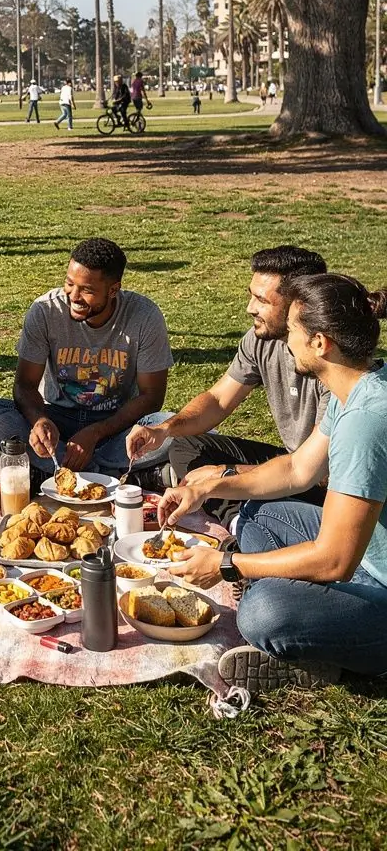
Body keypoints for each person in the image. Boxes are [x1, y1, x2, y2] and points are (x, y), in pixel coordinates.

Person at [159, 273, 387, 689]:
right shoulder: (355, 387)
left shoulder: (367, 421)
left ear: (320, 343)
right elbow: (297, 469)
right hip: (367, 557)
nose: (286, 340)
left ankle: (317, 645)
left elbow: (336, 560)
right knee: (258, 515)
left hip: (372, 577)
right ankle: (310, 624)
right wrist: (206, 487)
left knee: (262, 612)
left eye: (294, 331)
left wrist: (228, 565)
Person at [126, 246, 329, 509]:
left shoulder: (331, 362)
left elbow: (309, 472)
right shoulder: (260, 340)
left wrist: (224, 474)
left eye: (262, 300)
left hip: (324, 481)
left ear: (298, 306)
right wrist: (164, 429)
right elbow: (219, 399)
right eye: (251, 296)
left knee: (249, 496)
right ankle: (223, 503)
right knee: (188, 445)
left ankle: (234, 517)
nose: (250, 308)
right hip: (293, 461)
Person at [0, 237, 174, 483]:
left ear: (113, 290)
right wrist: (39, 420)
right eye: (69, 284)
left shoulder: (144, 316)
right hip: (57, 419)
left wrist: (95, 433)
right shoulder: (45, 310)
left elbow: (152, 397)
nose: (74, 296)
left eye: (87, 290)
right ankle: (107, 473)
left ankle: (55, 471)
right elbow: (25, 385)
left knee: (175, 427)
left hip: (116, 426)